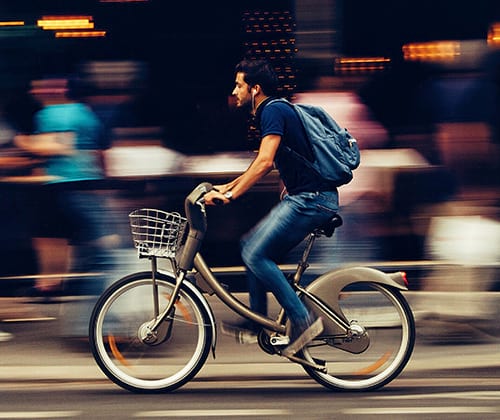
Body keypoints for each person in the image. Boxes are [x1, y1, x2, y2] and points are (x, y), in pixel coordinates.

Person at [204, 59, 340, 356]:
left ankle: (303, 320)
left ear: (255, 89)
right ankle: (257, 322)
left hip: (311, 199)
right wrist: (227, 186)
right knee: (250, 245)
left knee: (254, 253)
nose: (234, 90)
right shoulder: (273, 110)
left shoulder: (273, 110)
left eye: (239, 85)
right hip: (306, 198)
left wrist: (231, 196)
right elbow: (262, 166)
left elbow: (264, 161)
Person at [14, 77, 117, 337]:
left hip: (61, 185)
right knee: (99, 249)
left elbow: (54, 147)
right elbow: (100, 153)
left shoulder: (48, 114)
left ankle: (56, 291)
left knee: (78, 246)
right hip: (86, 185)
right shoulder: (87, 114)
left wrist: (22, 142)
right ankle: (89, 317)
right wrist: (104, 183)